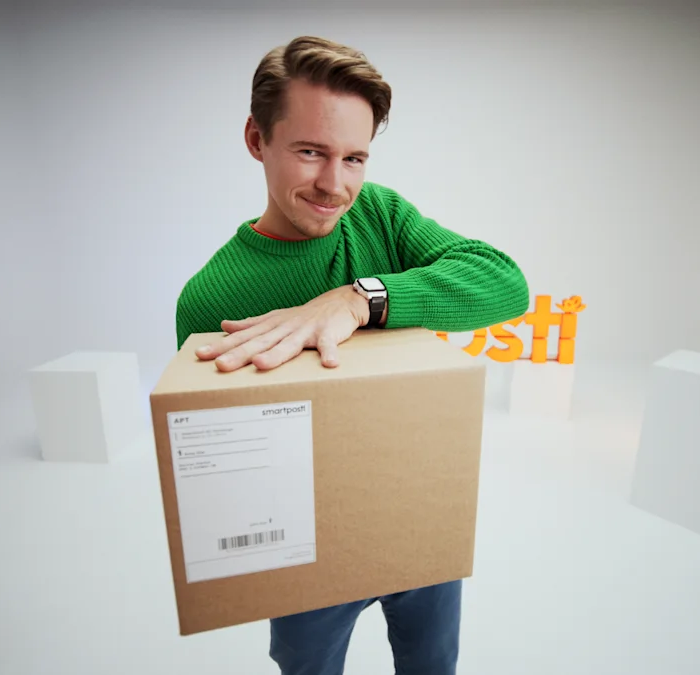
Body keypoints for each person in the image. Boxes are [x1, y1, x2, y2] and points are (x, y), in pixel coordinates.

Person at [174, 35, 530, 675]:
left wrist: (359, 298)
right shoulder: (210, 300)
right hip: (303, 552)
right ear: (257, 140)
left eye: (355, 158)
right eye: (310, 152)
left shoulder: (383, 216)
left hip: (420, 516)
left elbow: (505, 282)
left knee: (433, 665)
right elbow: (215, 462)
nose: (335, 185)